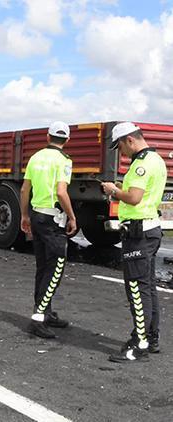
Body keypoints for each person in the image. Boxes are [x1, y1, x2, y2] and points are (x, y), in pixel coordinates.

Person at [101, 122, 167, 363]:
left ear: (129, 139)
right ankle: (151, 338)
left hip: (138, 234)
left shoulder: (141, 164)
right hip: (150, 230)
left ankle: (139, 346)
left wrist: (113, 190)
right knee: (148, 287)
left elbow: (134, 198)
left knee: (137, 290)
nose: (121, 152)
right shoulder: (157, 160)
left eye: (120, 146)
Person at [20, 121, 78, 339]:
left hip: (37, 215)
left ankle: (47, 312)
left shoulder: (36, 157)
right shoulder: (64, 160)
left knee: (43, 267)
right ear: (67, 140)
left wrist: (25, 215)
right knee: (55, 269)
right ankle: (38, 318)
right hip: (54, 221)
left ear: (47, 137)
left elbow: (25, 188)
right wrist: (72, 216)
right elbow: (62, 192)